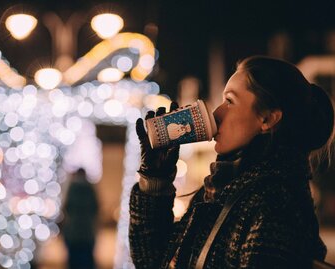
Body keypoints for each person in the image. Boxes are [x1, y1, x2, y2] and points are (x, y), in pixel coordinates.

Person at [129, 56, 335, 268]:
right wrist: (155, 180)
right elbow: (153, 261)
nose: (217, 113)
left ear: (267, 119)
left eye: (230, 101)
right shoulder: (220, 189)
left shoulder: (275, 203)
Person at [61, 168, 99, 269]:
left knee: (74, 260)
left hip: (73, 231)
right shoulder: (90, 188)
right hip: (87, 231)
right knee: (87, 259)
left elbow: (66, 207)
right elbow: (95, 208)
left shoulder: (72, 188)